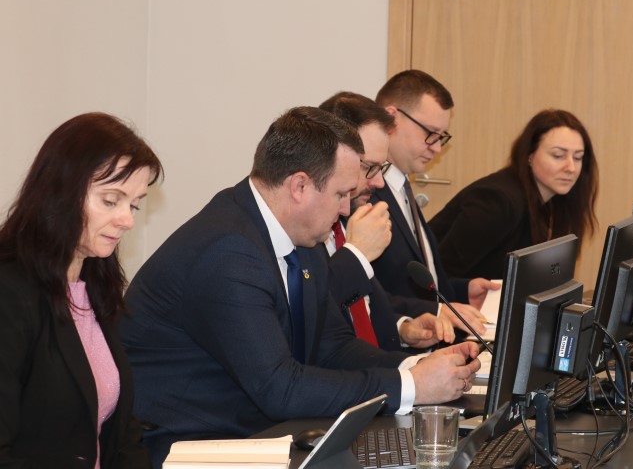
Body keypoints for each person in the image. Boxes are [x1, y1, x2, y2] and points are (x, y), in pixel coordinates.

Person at [120, 106, 479, 467]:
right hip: (191, 446)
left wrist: (418, 367)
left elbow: (331, 345)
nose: (345, 210)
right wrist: (411, 386)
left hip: (257, 432)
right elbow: (280, 389)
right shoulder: (229, 251)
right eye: (341, 194)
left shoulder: (301, 236)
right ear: (300, 186)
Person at [0, 112, 162, 469]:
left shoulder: (94, 288)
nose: (127, 220)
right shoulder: (9, 293)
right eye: (111, 200)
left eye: (134, 204)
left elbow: (122, 434)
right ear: (60, 191)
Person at [316, 91, 454, 351]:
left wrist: (403, 328)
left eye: (382, 169)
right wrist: (356, 254)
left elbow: (367, 305)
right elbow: (314, 315)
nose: (379, 182)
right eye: (370, 167)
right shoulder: (307, 227)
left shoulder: (348, 213)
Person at [372, 71, 498, 334]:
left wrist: (463, 291)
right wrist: (437, 311)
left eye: (441, 136)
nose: (437, 147)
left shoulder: (402, 186)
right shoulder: (363, 195)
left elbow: (415, 280)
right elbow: (367, 294)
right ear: (391, 118)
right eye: (430, 133)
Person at [430, 109, 599, 281]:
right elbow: (439, 274)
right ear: (529, 155)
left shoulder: (547, 202)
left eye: (578, 158)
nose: (571, 168)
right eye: (558, 155)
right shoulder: (498, 201)